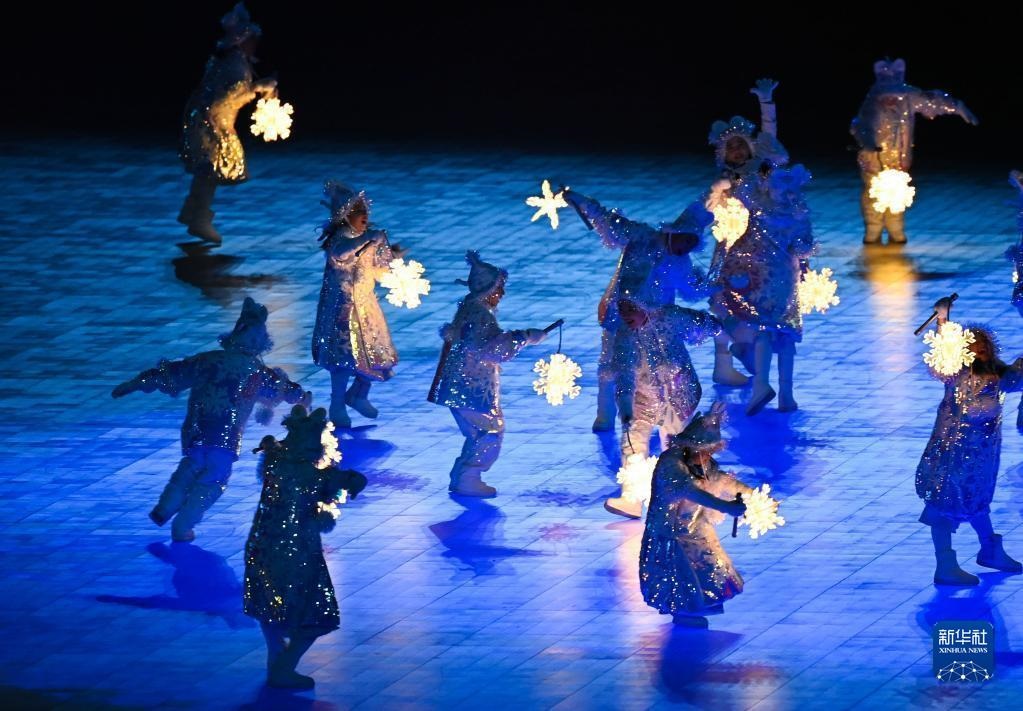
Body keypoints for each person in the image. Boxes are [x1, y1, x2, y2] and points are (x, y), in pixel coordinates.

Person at [111, 297, 310, 541]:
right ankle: (183, 526)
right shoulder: (258, 373)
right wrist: (303, 398)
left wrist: (136, 383)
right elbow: (285, 390)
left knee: (190, 467)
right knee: (213, 480)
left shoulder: (206, 361)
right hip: (226, 438)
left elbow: (172, 373)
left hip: (197, 431)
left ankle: (164, 508)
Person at [244, 405, 367, 689]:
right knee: (314, 614)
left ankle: (276, 663)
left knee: (271, 609)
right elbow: (350, 482)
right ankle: (284, 668)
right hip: (298, 552)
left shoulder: (274, 465)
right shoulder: (317, 477)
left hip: (262, 547)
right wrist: (351, 481)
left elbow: (273, 454)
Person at [916, 296, 1023, 585]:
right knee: (944, 505)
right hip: (951, 453)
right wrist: (942, 320)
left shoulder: (1000, 377)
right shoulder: (956, 374)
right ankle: (945, 564)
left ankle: (990, 550)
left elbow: (1019, 378)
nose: (981, 347)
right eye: (974, 344)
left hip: (982, 457)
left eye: (984, 343)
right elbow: (943, 358)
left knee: (977, 500)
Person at [428, 251, 550, 497]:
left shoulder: (470, 309)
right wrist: (525, 337)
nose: (501, 293)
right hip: (472, 388)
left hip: (460, 386)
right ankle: (469, 477)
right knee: (491, 431)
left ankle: (462, 476)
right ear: (487, 288)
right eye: (498, 287)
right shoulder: (480, 315)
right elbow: (492, 349)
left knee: (477, 433)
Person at [639, 402, 763, 627]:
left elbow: (721, 481)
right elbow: (690, 491)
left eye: (710, 451)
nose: (707, 456)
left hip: (695, 529)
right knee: (681, 575)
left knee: (708, 568)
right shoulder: (671, 464)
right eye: (703, 451)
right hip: (670, 533)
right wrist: (725, 507)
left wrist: (752, 496)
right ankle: (684, 611)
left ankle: (701, 605)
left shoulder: (703, 464)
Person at [178, 2, 278, 245]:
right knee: (211, 169)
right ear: (243, 40)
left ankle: (194, 213)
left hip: (209, 120)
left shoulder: (233, 61)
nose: (255, 44)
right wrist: (257, 88)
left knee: (208, 170)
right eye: (252, 40)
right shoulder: (234, 63)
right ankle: (198, 218)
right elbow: (227, 96)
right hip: (211, 122)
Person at [850, 58, 977, 244]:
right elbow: (862, 125)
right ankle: (873, 228)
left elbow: (932, 100)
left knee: (897, 192)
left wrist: (957, 106)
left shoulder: (908, 97)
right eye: (888, 97)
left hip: (899, 159)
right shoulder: (873, 102)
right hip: (874, 160)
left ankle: (895, 227)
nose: (892, 100)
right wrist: (869, 142)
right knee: (873, 193)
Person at [312, 181, 402, 428]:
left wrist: (392, 262)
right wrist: (367, 240)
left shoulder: (367, 240)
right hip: (343, 309)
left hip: (366, 308)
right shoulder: (340, 239)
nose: (364, 215)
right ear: (344, 215)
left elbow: (375, 270)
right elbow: (341, 254)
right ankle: (337, 405)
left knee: (373, 354)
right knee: (343, 358)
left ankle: (358, 394)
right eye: (358, 211)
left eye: (365, 211)